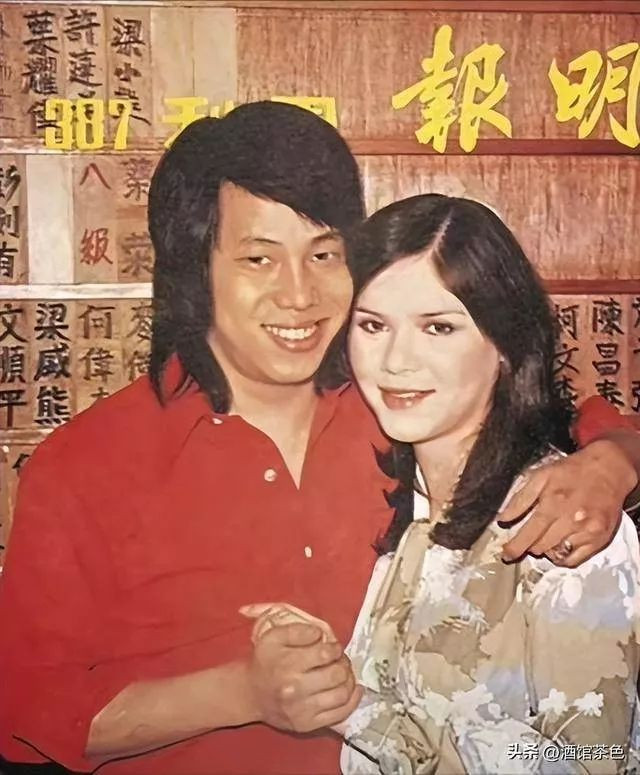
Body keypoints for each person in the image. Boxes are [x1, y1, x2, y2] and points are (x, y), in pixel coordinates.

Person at [0, 105, 638, 775]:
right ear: (195, 270)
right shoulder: (88, 463)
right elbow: (25, 705)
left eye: (324, 254)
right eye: (259, 259)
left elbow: (548, 413)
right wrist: (238, 693)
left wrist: (613, 461)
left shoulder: (391, 402)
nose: (300, 294)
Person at [248, 194, 640, 774]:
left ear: (504, 344)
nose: (396, 360)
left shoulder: (562, 525)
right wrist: (335, 687)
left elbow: (592, 761)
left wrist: (367, 713)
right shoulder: (399, 508)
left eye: (438, 327)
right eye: (373, 325)